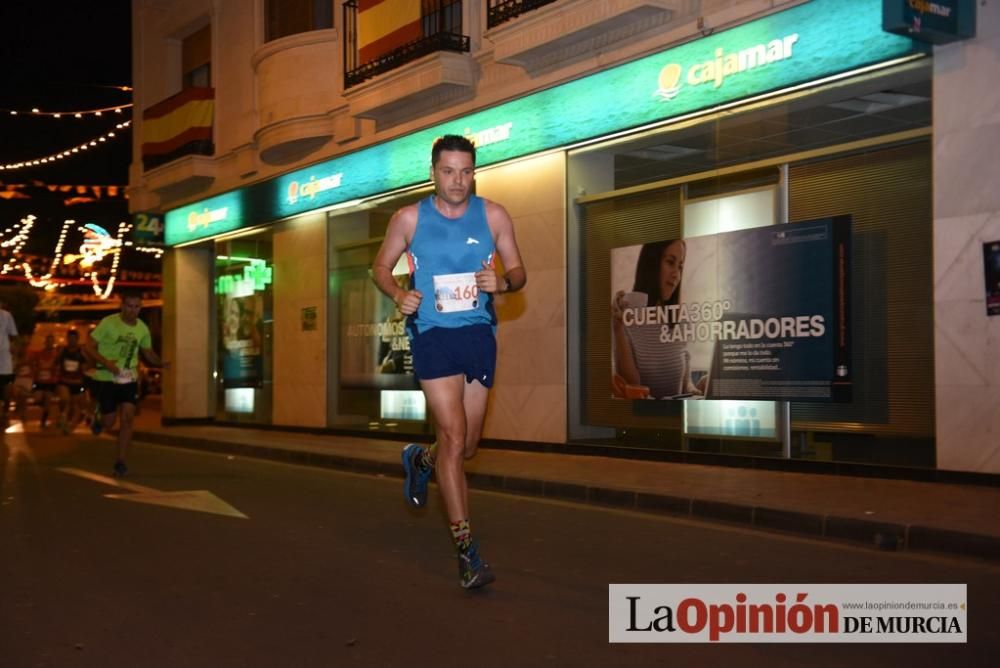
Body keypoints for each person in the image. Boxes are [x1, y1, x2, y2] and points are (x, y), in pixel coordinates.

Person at [371, 134, 526, 589]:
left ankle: (421, 460)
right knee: (455, 439)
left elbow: (518, 271)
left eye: (465, 171)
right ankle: (467, 552)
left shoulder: (494, 215)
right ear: (433, 172)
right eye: (448, 171)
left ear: (474, 171)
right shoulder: (408, 219)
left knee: (468, 445)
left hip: (479, 333)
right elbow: (380, 267)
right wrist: (399, 293)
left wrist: (504, 283)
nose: (457, 180)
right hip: (432, 334)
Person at [84, 290, 164, 477]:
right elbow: (88, 347)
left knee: (128, 417)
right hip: (106, 377)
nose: (132, 310)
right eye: (129, 306)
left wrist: (162, 363)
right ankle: (98, 416)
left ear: (140, 308)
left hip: (128, 378)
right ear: (122, 306)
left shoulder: (142, 329)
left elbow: (148, 352)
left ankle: (120, 461)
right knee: (110, 423)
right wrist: (107, 364)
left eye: (136, 307)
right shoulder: (108, 323)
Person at [611, 239, 704, 399]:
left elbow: (685, 382)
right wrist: (618, 328)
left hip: (677, 417)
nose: (676, 274)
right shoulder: (626, 316)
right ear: (651, 264)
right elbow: (631, 385)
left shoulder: (680, 320)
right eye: (670, 262)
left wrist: (694, 387)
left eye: (680, 267)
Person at [55, 329, 88, 434]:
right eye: (70, 338)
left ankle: (70, 427)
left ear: (77, 340)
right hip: (64, 381)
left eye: (74, 339)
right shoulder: (62, 351)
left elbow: (85, 368)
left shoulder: (81, 353)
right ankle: (62, 415)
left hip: (77, 383)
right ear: (67, 339)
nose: (72, 341)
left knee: (76, 407)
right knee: (65, 399)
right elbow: (55, 363)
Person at [30, 334, 61, 428]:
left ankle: (43, 420)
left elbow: (59, 367)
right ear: (45, 342)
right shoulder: (39, 353)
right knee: (37, 398)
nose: (49, 343)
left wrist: (54, 371)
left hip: (50, 382)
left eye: (51, 341)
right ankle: (44, 404)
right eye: (48, 341)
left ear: (53, 343)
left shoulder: (56, 354)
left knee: (48, 398)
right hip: (39, 381)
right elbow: (34, 365)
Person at [0, 301, 18, 429]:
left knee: (6, 390)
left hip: (4, 361)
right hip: (5, 359)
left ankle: (5, 414)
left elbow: (13, 335)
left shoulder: (6, 315)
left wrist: (9, 348)